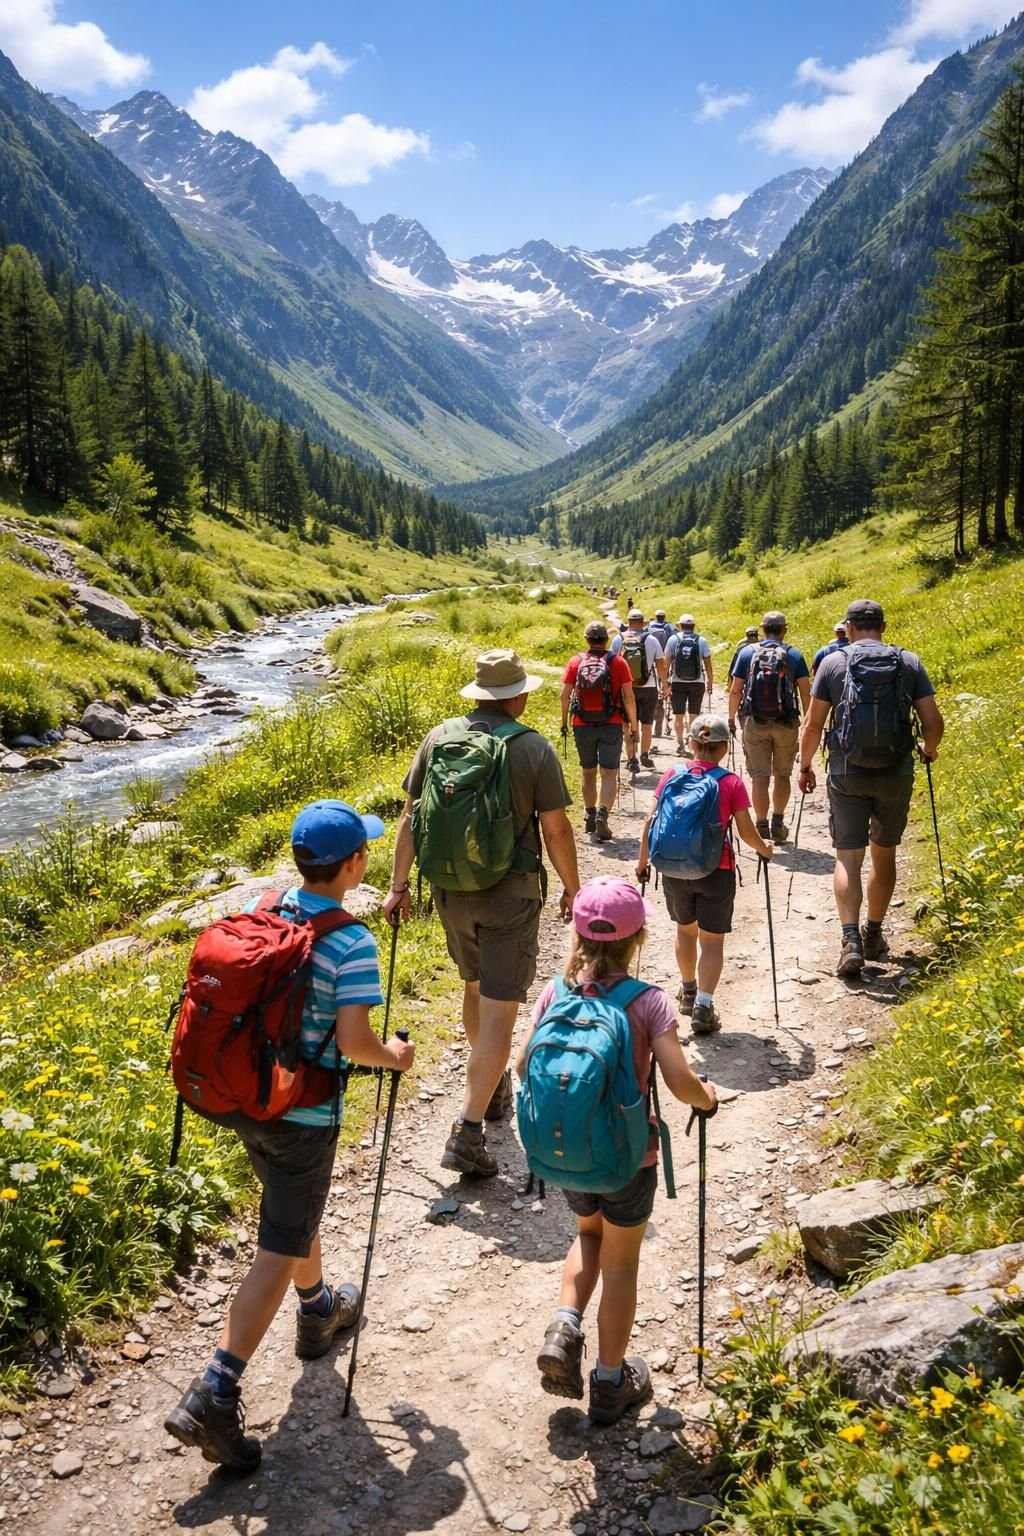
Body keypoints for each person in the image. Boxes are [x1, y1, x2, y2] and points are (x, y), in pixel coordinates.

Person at [165, 801, 416, 1472]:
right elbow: (356, 1043)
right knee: (278, 1244)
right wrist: (395, 1056)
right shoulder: (352, 941)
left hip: (241, 1096)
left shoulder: (269, 905)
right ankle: (215, 1391)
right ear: (355, 864)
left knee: (290, 1211)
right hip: (301, 1112)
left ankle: (318, 1309)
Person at [522, 877, 717, 1423]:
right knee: (622, 1262)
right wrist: (708, 1098)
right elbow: (679, 1081)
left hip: (568, 1153)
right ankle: (610, 1381)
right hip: (629, 1159)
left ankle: (565, 1325)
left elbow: (521, 1066)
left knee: (588, 1234)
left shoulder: (555, 993)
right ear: (638, 938)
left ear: (578, 934)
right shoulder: (648, 1002)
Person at [386, 649, 580, 1178]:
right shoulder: (533, 748)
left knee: (474, 989)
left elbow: (410, 817)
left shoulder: (439, 737)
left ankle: (490, 1088)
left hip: (449, 889)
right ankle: (469, 1130)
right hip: (509, 895)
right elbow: (557, 830)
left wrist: (398, 887)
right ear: (516, 696)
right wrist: (572, 888)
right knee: (500, 1010)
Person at [798, 599, 944, 978]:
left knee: (848, 857)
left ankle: (850, 941)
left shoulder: (833, 663)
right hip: (895, 771)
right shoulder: (908, 662)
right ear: (882, 625)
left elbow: (813, 725)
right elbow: (933, 720)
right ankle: (875, 932)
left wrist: (804, 765)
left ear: (848, 627)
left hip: (847, 772)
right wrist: (928, 750)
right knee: (884, 853)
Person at [636, 716, 773, 1033]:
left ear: (693, 744)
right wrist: (765, 850)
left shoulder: (673, 773)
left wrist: (643, 862)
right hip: (716, 869)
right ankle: (703, 1007)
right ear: (724, 748)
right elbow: (746, 832)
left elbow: (650, 820)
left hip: (672, 867)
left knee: (685, 931)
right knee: (712, 943)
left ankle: (688, 990)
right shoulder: (730, 782)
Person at [728, 610, 810, 844]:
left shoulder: (747, 653)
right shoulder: (793, 654)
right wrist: (807, 723)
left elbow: (736, 690)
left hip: (755, 722)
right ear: (785, 629)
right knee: (782, 775)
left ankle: (761, 824)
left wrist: (732, 718)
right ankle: (778, 821)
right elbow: (805, 692)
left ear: (762, 629)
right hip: (785, 723)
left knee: (759, 777)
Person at [561, 620, 638, 843]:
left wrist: (564, 722)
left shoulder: (576, 661)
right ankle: (603, 813)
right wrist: (633, 723)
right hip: (611, 723)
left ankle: (589, 813)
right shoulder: (618, 662)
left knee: (587, 771)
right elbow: (629, 697)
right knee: (609, 773)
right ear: (606, 640)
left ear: (586, 640)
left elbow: (564, 695)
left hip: (582, 724)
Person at [610, 609, 666, 771]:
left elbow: (612, 666)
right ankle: (644, 754)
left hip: (627, 689)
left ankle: (631, 759)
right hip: (649, 688)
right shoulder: (652, 639)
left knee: (627, 724)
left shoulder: (618, 639)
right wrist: (665, 685)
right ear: (643, 623)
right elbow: (661, 667)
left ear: (628, 623)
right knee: (647, 723)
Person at [663, 614, 714, 759]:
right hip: (697, 682)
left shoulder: (673, 639)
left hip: (677, 682)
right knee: (694, 715)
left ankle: (679, 743)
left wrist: (665, 683)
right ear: (693, 626)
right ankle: (691, 741)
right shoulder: (701, 640)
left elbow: (666, 663)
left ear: (679, 625)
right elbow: (708, 663)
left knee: (678, 716)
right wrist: (710, 681)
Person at [647, 610, 675, 737]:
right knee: (663, 690)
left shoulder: (650, 627)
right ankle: (661, 723)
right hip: (665, 661)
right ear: (664, 617)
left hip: (652, 662)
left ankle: (653, 725)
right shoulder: (669, 627)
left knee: (655, 692)